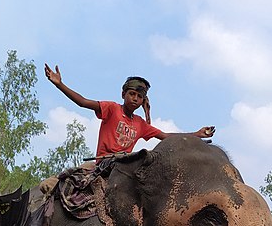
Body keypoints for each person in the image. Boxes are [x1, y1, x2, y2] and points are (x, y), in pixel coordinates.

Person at [44, 64, 215, 159]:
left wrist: (197, 134)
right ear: (123, 94)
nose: (135, 98)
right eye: (132, 94)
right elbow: (82, 102)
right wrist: (59, 84)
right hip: (105, 163)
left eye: (139, 97)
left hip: (126, 164)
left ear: (143, 101)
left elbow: (165, 137)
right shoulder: (111, 109)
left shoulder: (140, 123)